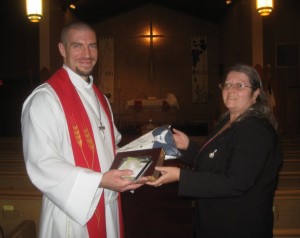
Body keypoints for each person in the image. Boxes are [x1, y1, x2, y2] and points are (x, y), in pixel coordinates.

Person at [21, 21, 143, 238]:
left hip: (108, 204)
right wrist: (98, 180)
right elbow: (42, 164)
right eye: (77, 46)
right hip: (72, 214)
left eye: (93, 46)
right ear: (62, 49)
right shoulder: (46, 100)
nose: (87, 54)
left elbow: (110, 145)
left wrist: (138, 165)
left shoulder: (101, 99)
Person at [147, 63, 283, 238]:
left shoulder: (255, 130)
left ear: (255, 93)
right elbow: (217, 161)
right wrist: (188, 147)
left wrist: (181, 176)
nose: (231, 90)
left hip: (239, 226)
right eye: (227, 84)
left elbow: (236, 182)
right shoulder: (228, 121)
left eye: (239, 85)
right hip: (216, 220)